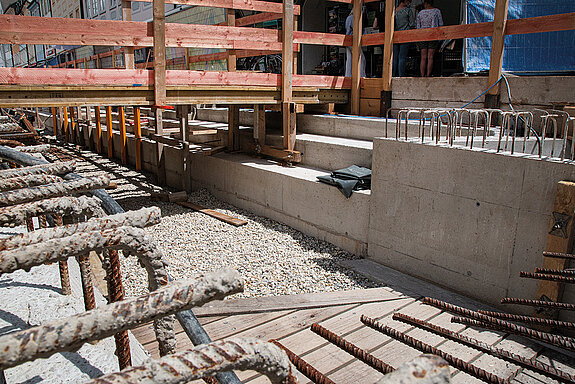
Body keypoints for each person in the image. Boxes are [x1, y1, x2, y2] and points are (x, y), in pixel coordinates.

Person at [416, 0, 443, 77]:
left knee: (423, 57)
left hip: (422, 36)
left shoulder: (420, 13)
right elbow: (441, 24)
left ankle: (422, 75)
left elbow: (418, 27)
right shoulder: (437, 11)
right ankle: (428, 75)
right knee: (430, 56)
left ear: (426, 3)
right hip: (433, 35)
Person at [345, 9, 366, 78]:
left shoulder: (348, 18)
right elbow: (356, 29)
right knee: (361, 58)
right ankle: (361, 75)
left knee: (349, 59)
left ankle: (348, 75)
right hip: (354, 40)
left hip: (348, 39)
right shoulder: (355, 18)